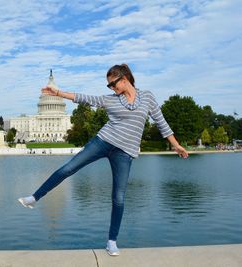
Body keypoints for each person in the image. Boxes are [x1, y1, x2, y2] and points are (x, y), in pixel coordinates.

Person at [18, 64, 189, 256]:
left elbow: (161, 122)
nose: (110, 88)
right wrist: (58, 93)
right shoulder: (111, 100)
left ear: (124, 79)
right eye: (108, 86)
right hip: (103, 142)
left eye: (112, 84)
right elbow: (84, 98)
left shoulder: (147, 97)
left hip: (124, 152)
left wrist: (175, 145)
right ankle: (34, 197)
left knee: (118, 197)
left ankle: (112, 241)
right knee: (68, 169)